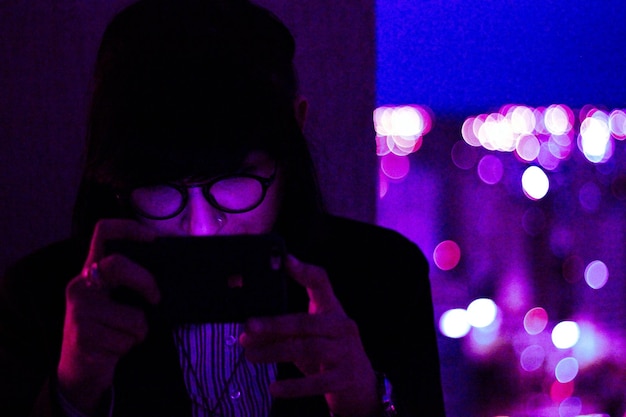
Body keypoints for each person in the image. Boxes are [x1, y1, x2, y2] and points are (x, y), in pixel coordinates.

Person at [0, 0, 446, 416]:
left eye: (233, 182)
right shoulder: (45, 300)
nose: (200, 226)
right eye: (159, 189)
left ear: (295, 129)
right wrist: (72, 390)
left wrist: (366, 400)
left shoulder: (383, 277)